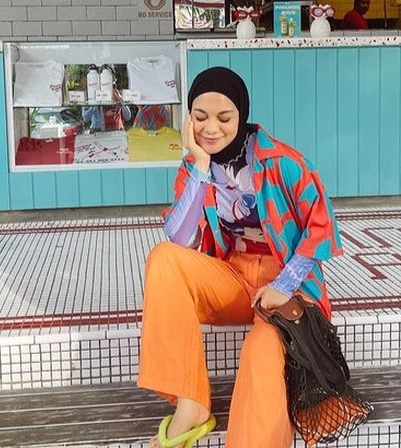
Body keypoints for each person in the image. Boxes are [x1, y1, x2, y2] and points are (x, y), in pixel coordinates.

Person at [137, 66, 343, 448]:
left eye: (224, 118)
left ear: (241, 116)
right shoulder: (194, 167)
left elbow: (322, 227)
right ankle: (191, 404)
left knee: (261, 355)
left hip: (289, 286)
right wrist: (201, 165)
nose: (211, 128)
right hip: (235, 275)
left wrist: (284, 285)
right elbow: (179, 237)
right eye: (200, 118)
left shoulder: (282, 161)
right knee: (164, 259)